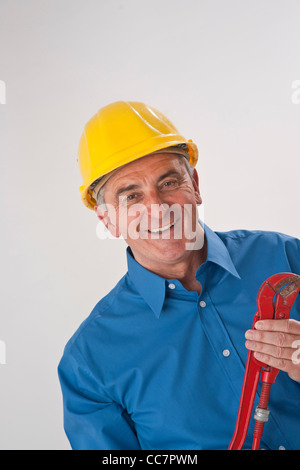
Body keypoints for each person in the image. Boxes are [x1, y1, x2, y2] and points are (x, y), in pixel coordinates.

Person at [58, 101, 300, 450]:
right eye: (131, 196)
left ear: (195, 185)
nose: (157, 208)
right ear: (107, 220)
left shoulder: (287, 258)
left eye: (169, 182)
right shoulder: (90, 361)